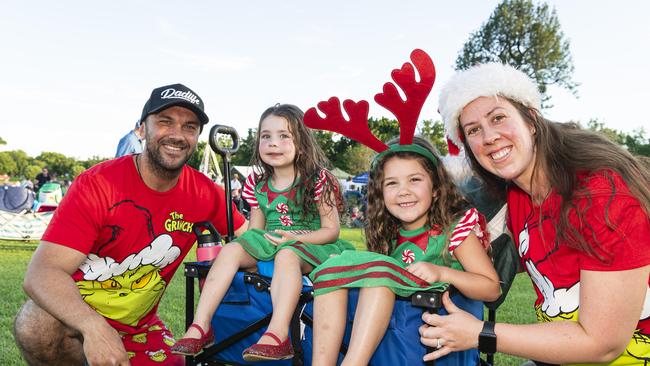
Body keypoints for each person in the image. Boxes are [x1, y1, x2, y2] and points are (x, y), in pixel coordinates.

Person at [421, 62, 650, 364]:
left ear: (531, 119)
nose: (489, 137)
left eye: (498, 118)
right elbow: (540, 260)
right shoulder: (519, 194)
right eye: (474, 130)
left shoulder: (600, 193)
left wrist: (481, 332)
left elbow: (602, 344)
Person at [13, 83, 247, 366]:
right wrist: (94, 328)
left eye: (189, 126)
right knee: (35, 323)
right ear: (143, 127)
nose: (177, 135)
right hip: (76, 326)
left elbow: (250, 240)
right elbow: (41, 273)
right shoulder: (97, 184)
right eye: (165, 122)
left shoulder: (205, 193)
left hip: (142, 329)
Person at [171, 103, 354, 361]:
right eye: (265, 136)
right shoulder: (257, 184)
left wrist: (296, 238)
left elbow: (331, 231)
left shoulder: (317, 180)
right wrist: (244, 253)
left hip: (314, 244)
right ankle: (201, 325)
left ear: (301, 143)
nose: (273, 143)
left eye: (283, 136)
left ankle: (278, 334)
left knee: (287, 254)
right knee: (234, 247)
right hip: (276, 242)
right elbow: (255, 233)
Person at [310, 136, 500, 365]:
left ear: (437, 188)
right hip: (391, 347)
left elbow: (491, 289)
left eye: (414, 180)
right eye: (392, 183)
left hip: (432, 344)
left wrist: (443, 274)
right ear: (380, 192)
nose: (403, 191)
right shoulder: (388, 236)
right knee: (338, 268)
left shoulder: (454, 231)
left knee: (379, 275)